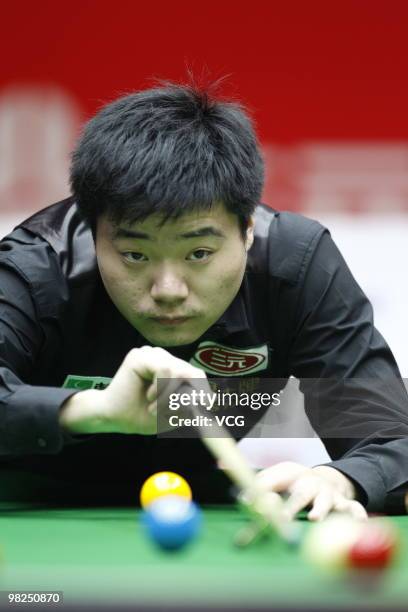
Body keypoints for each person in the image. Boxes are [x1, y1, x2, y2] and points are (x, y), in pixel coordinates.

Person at [0, 82, 407, 518]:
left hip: (208, 510)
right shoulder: (37, 267)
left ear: (247, 229)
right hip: (26, 508)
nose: (168, 290)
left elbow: (389, 437)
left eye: (199, 254)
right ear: (92, 230)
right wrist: (92, 410)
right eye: (135, 255)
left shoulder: (291, 266)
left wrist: (341, 479)